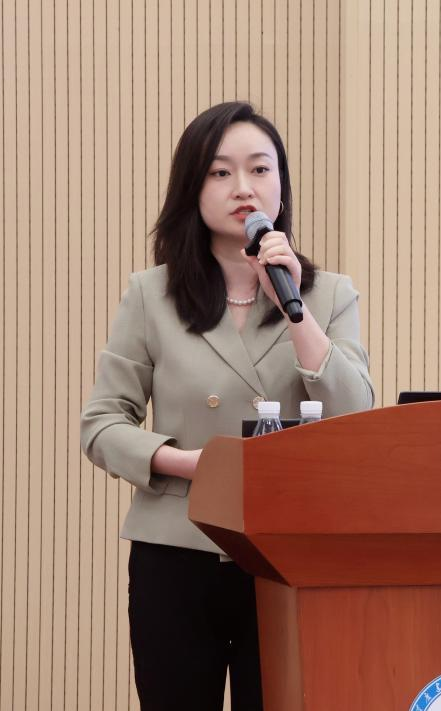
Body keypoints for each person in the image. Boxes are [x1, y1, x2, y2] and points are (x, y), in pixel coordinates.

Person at [79, 101, 375, 710]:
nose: (243, 187)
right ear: (193, 187)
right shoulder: (152, 295)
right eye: (220, 172)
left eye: (260, 169)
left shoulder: (327, 294)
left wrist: (294, 311)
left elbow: (354, 417)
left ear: (281, 187)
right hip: (177, 552)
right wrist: (193, 464)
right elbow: (103, 424)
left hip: (289, 554)